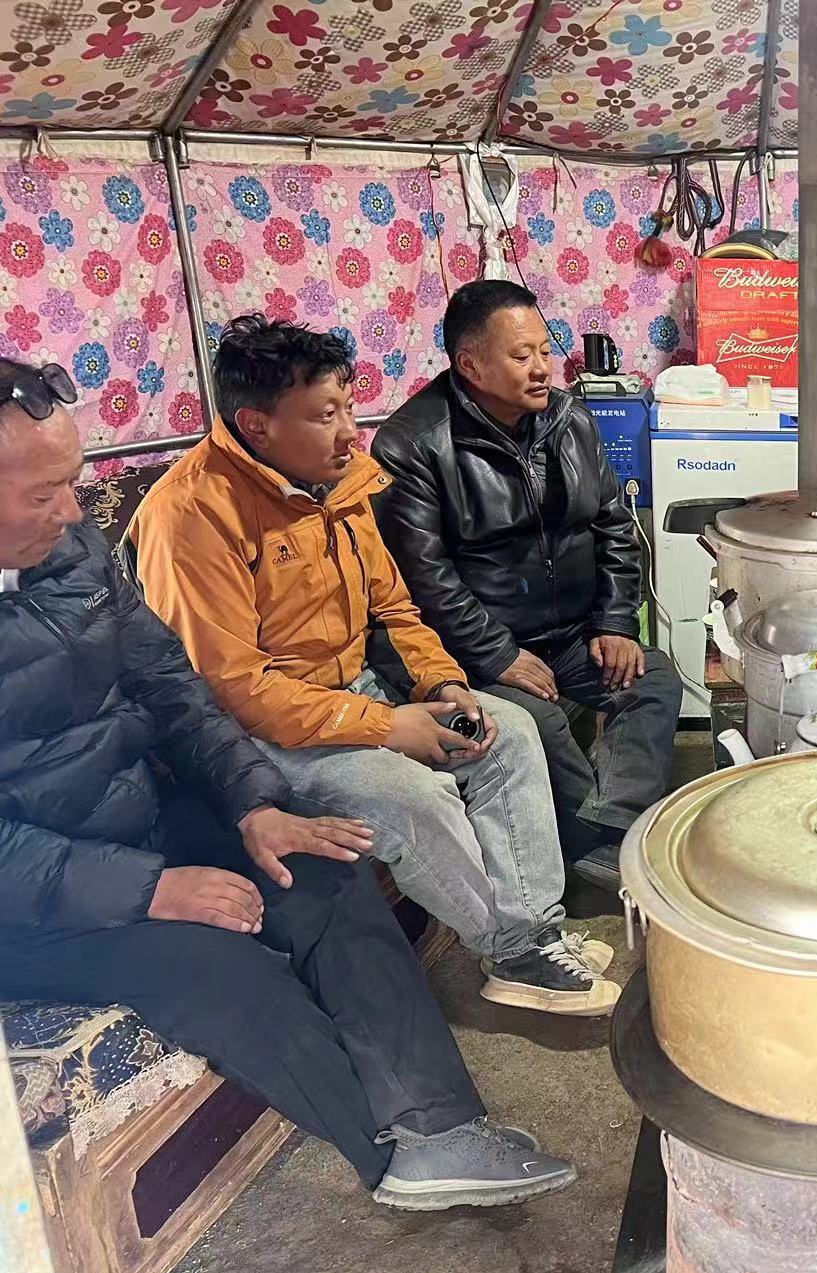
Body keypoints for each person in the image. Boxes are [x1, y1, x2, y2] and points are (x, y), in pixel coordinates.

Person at [0, 359, 580, 1209]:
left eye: (73, 484)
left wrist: (253, 805)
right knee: (219, 966)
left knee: (321, 867)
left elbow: (172, 688)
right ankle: (387, 1157)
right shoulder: (196, 509)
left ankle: (440, 1129)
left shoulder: (74, 555)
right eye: (42, 494)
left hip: (131, 818)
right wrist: (151, 887)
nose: (71, 512)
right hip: (32, 902)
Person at [126, 316, 618, 1017]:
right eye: (324, 416)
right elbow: (232, 688)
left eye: (348, 407)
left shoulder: (340, 482)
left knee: (506, 731)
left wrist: (442, 682)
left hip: (353, 693)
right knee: (412, 795)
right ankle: (512, 951)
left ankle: (533, 933)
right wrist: (387, 726)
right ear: (257, 426)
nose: (349, 432)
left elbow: (395, 606)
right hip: (256, 733)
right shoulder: (192, 515)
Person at [372, 280, 680, 892]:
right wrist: (498, 655)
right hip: (474, 650)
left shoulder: (570, 420)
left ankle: (606, 835)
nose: (543, 368)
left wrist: (615, 622)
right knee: (537, 722)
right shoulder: (413, 445)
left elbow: (615, 526)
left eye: (545, 349)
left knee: (653, 679)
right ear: (470, 364)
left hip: (572, 634)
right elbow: (425, 579)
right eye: (521, 355)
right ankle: (606, 853)